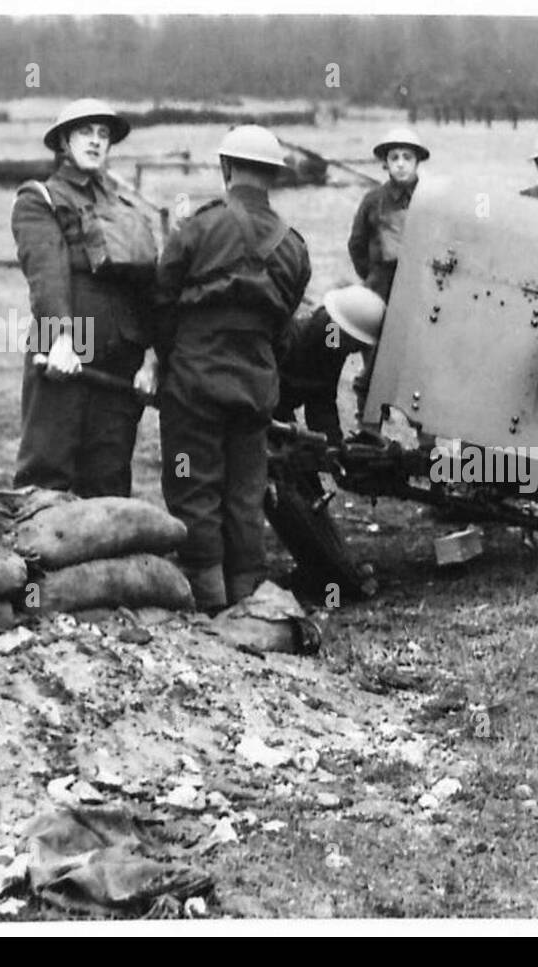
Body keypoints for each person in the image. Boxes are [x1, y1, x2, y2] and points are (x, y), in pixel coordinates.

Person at [153, 125, 311, 611]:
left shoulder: (197, 227)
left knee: (194, 485)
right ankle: (249, 601)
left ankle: (208, 604)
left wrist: (170, 358)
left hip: (195, 376)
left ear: (226, 168)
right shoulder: (293, 246)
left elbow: (161, 301)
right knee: (245, 493)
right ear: (274, 177)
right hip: (256, 382)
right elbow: (285, 324)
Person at [11, 99, 159, 496]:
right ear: (63, 141)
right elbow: (46, 272)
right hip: (60, 340)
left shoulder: (127, 208)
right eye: (84, 133)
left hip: (121, 351)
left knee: (109, 477)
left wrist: (152, 356)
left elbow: (148, 285)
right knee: (47, 472)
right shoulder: (39, 197)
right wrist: (61, 337)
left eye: (103, 134)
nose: (95, 142)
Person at [275, 285, 385, 446]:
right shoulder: (295, 339)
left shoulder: (332, 337)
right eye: (355, 344)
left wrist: (333, 446)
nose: (354, 351)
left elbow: (322, 398)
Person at [347, 127, 430, 301]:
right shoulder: (373, 200)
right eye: (394, 158)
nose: (400, 164)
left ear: (417, 162)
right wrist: (374, 276)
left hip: (423, 287)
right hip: (382, 288)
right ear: (386, 163)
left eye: (407, 157)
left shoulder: (430, 199)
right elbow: (357, 245)